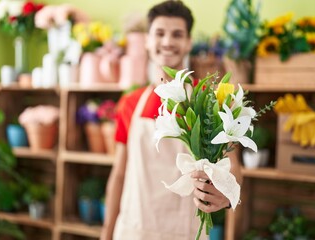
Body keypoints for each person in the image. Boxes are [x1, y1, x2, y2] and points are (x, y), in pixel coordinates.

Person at [100, 1, 242, 239]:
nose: (167, 42)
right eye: (159, 33)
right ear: (147, 40)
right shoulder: (130, 103)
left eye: (177, 34)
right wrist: (106, 232)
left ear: (188, 42)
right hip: (133, 230)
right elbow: (120, 174)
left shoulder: (207, 101)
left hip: (184, 232)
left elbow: (234, 166)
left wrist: (227, 195)